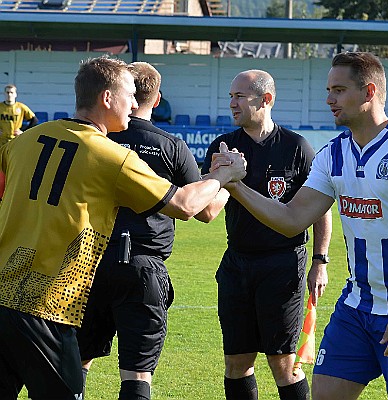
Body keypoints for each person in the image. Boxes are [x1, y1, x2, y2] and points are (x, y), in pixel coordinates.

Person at [0, 55, 246, 400]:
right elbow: (187, 206)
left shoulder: (23, 141)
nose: (134, 103)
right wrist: (225, 175)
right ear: (106, 98)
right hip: (46, 306)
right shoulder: (110, 156)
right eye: (129, 94)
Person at [211, 52, 388, 400]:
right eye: (329, 89)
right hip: (356, 308)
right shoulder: (333, 154)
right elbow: (292, 219)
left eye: (339, 90)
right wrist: (234, 184)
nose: (329, 99)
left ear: (369, 91)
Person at [76, 61, 221, 400]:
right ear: (157, 100)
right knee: (137, 373)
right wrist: (226, 180)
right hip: (142, 266)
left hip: (86, 262)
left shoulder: (96, 139)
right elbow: (205, 211)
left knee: (77, 362)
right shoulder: (170, 145)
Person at [201, 69, 332, 400]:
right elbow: (209, 210)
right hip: (237, 263)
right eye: (230, 96)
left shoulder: (296, 147)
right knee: (237, 363)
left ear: (266, 99)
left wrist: (320, 260)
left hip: (283, 264)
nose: (232, 103)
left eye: (239, 96)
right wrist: (222, 176)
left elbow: (321, 210)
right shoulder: (224, 146)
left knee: (284, 364)